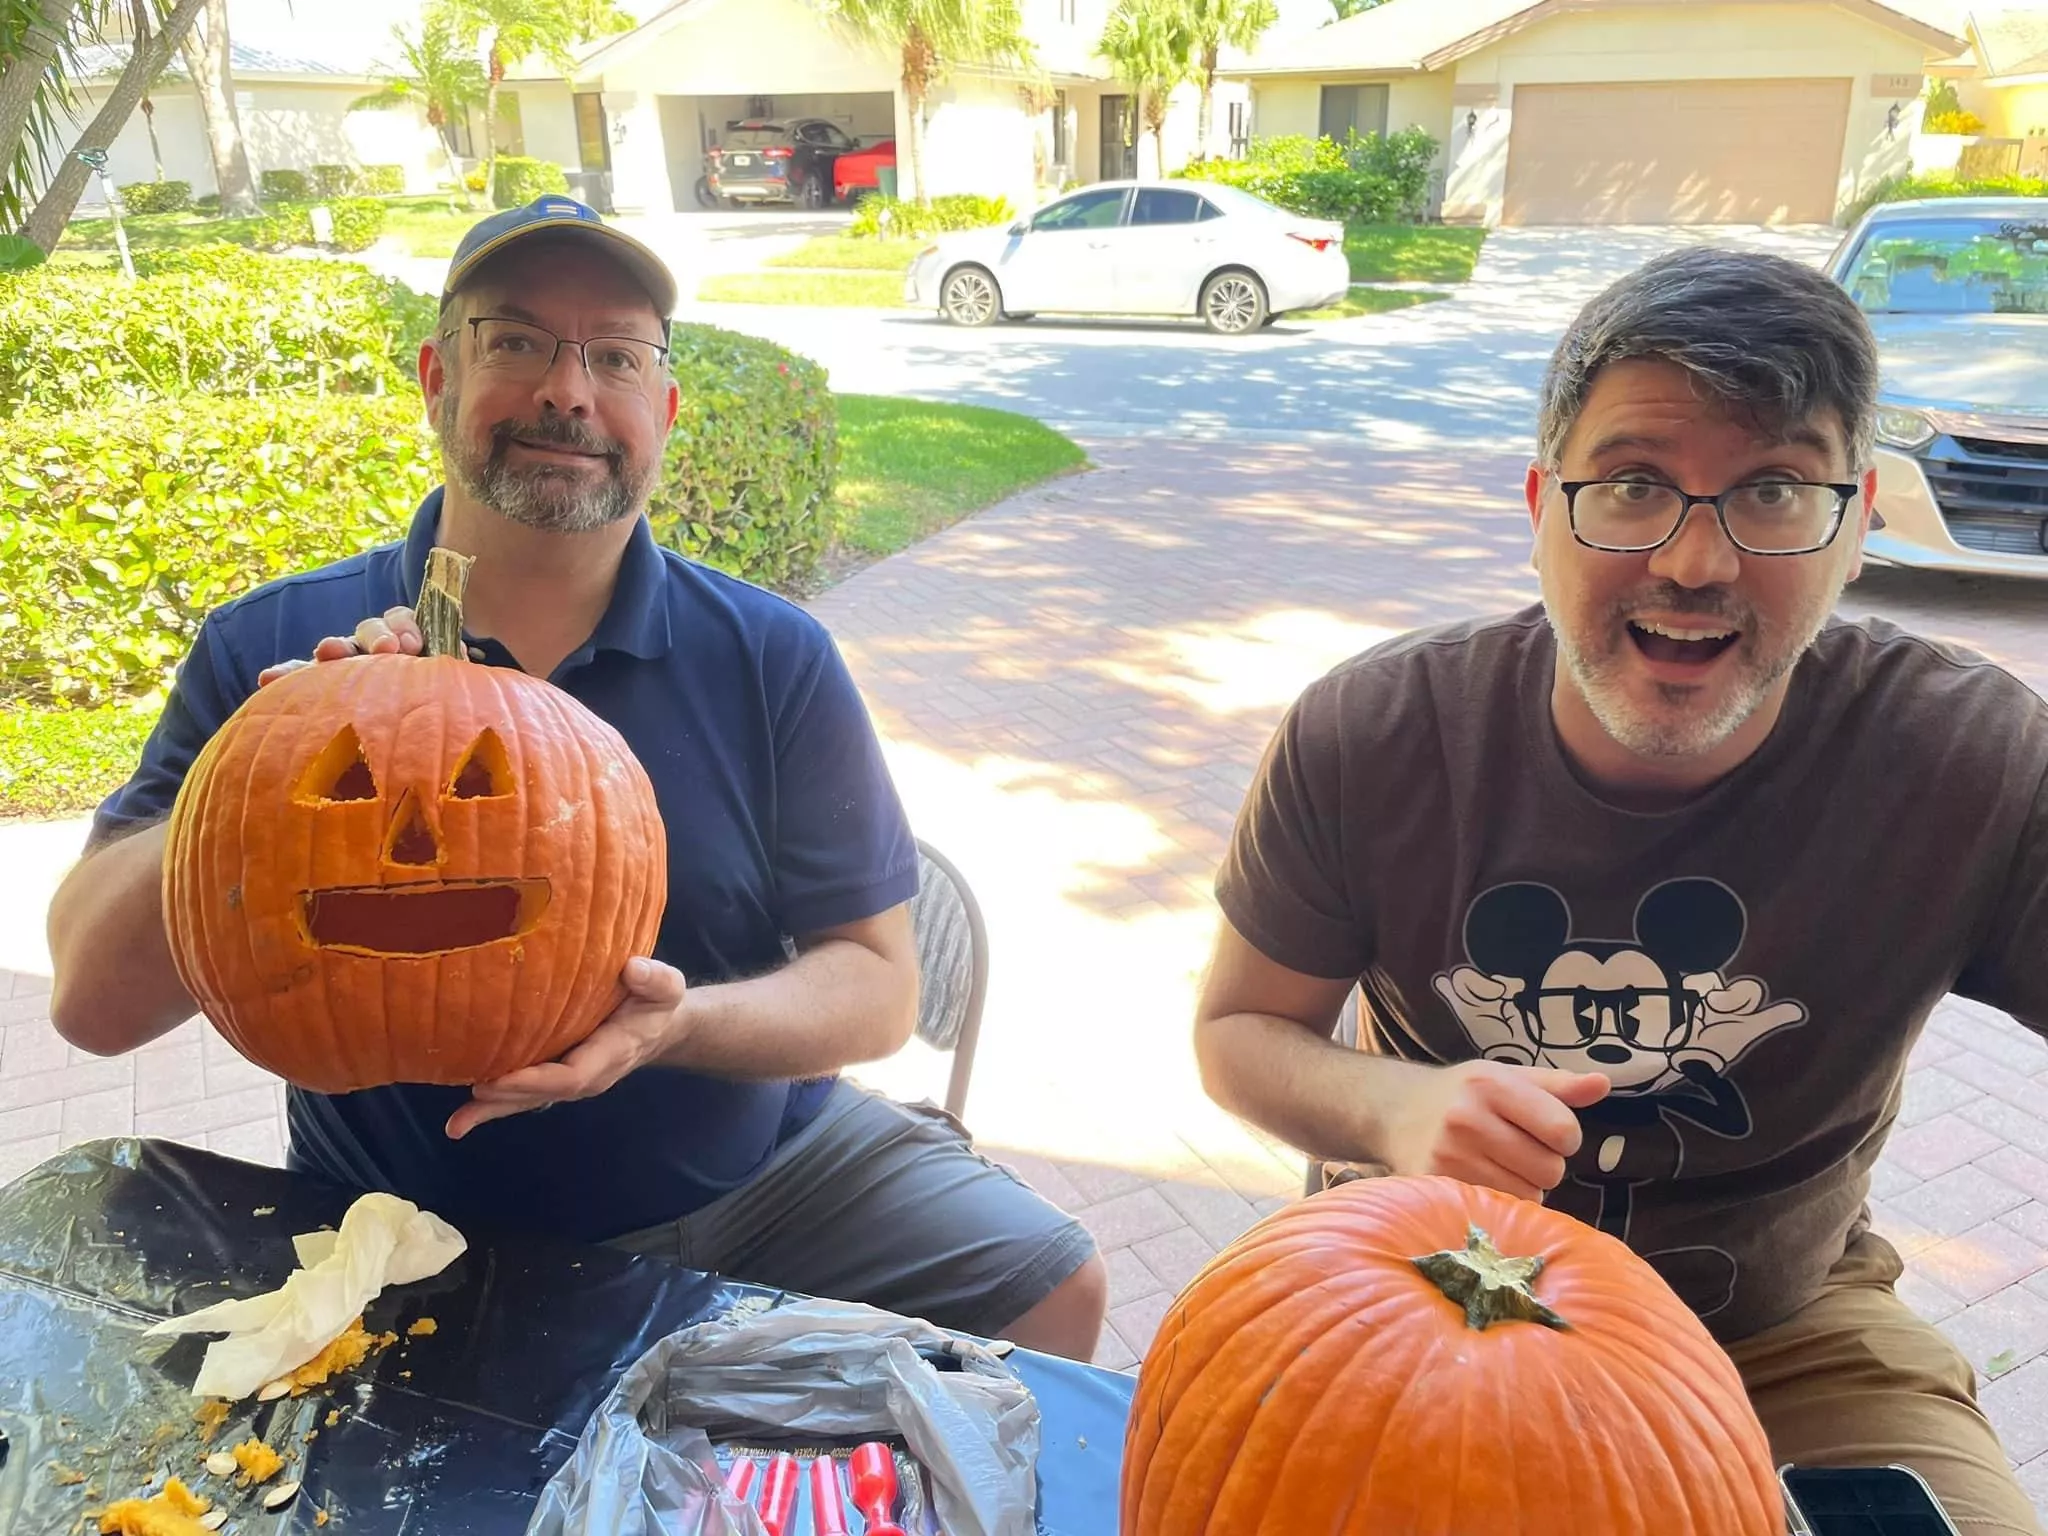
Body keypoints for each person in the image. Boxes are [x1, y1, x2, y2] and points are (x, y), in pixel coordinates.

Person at [46, 197, 1107, 1362]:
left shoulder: (768, 655)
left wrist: (673, 1028)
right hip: (413, 1212)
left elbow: (876, 987)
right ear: (435, 377)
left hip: (767, 1175)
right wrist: (252, 769)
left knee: (1053, 1287)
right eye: (515, 341)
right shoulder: (275, 646)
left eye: (614, 354)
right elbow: (94, 1010)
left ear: (662, 408)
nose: (566, 391)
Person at [1193, 247, 2048, 1530]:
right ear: (1541, 504)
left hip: (1784, 1330)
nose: (1693, 563)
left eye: (1769, 489)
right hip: (1413, 1307)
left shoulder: (1966, 762)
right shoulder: (1372, 735)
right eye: (1634, 485)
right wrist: (1396, 1107)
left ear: (1858, 519)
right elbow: (1235, 1035)